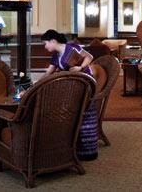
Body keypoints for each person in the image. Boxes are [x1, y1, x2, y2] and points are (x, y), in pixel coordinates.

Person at [40, 29, 98, 161]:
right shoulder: (55, 56)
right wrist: (36, 83)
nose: (45, 46)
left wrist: (80, 67)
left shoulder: (72, 47)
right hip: (72, 86)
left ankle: (85, 151)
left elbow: (89, 57)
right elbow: (48, 73)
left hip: (85, 82)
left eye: (46, 43)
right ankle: (67, 146)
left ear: (53, 41)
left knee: (80, 113)